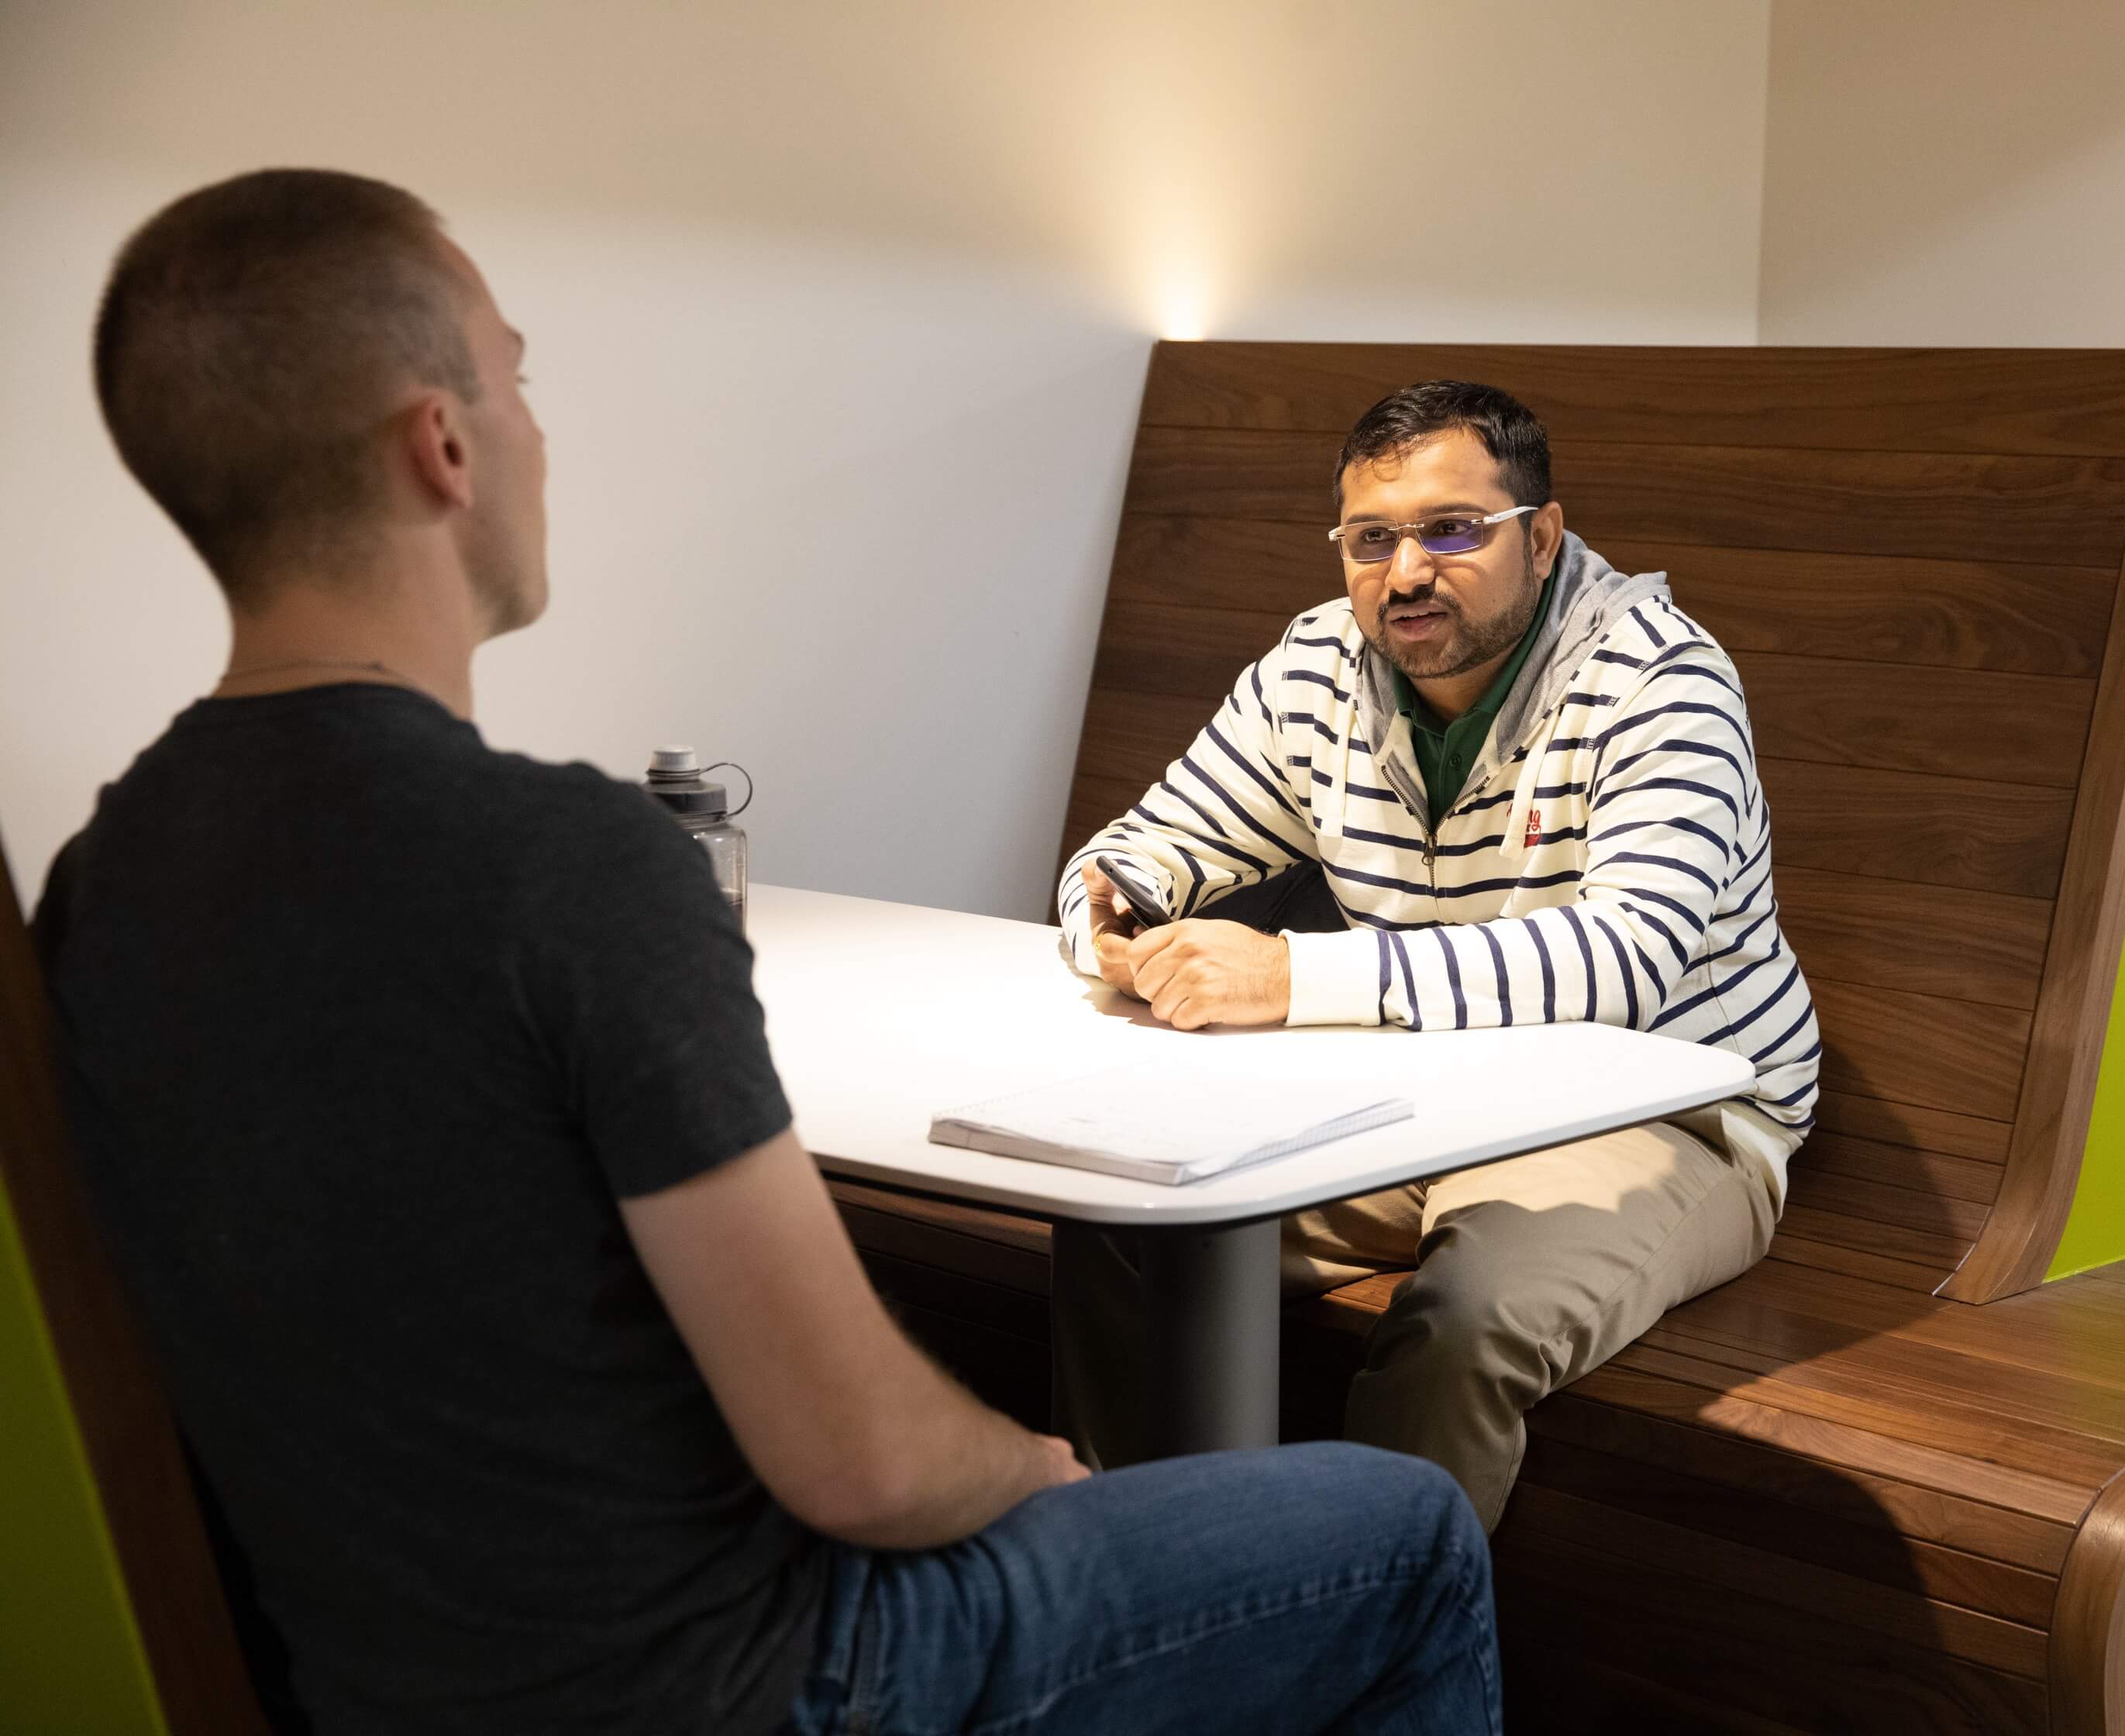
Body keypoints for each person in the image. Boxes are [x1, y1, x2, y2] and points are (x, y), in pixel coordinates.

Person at [33, 168, 1496, 1736]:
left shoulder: (99, 881)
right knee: (1402, 1537)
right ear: (439, 446)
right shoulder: (573, 868)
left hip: (375, 1681)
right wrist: (1038, 1469)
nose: (537, 430)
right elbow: (863, 1463)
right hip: (761, 1680)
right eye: (515, 376)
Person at [1059, 381, 1819, 1530]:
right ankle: (1160, 1598)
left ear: (1543, 535)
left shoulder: (1660, 679)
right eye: (1372, 540)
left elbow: (1627, 959)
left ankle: (1370, 1684)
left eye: (1452, 530)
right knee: (1130, 1227)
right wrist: (1122, 913)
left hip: (1664, 1109)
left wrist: (1284, 976)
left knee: (1460, 1325)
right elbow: (1147, 841)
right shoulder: (1319, 665)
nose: (1405, 573)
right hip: (1415, 1089)